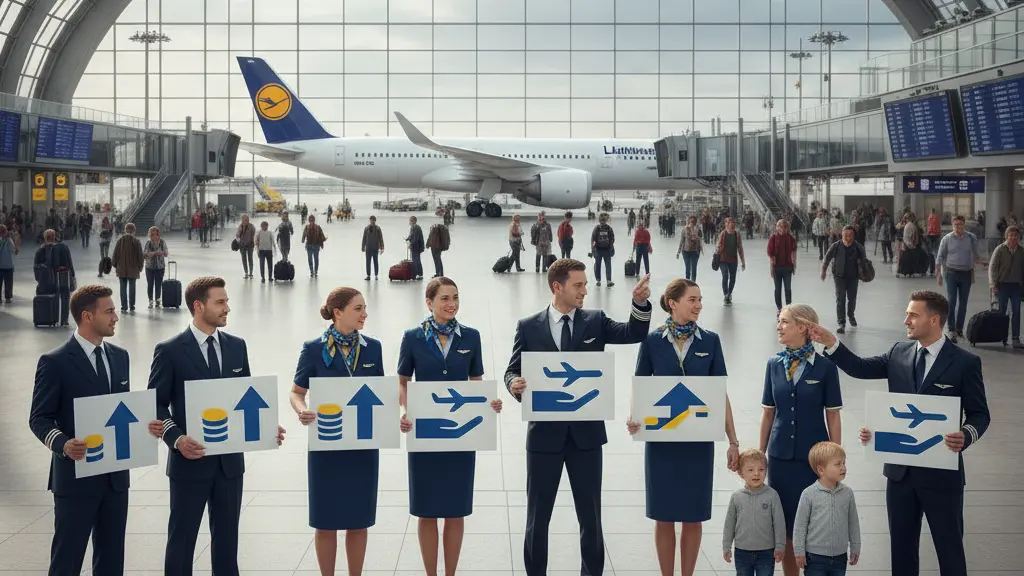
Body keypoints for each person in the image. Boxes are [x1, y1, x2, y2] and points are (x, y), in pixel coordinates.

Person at [807, 291, 990, 576]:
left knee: (950, 549)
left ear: (934, 319)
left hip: (943, 476)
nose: (906, 320)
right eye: (906, 313)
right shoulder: (898, 353)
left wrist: (966, 434)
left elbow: (981, 415)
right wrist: (831, 343)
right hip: (900, 476)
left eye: (913, 315)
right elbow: (859, 368)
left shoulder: (965, 363)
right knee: (902, 553)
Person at [505, 259, 652, 576]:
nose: (585, 290)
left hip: (586, 438)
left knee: (591, 517)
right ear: (558, 287)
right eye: (579, 285)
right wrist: (514, 385)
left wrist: (639, 304)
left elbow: (633, 333)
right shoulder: (528, 326)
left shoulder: (595, 321)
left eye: (585, 284)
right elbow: (512, 370)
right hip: (543, 438)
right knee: (537, 518)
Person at [146, 276, 287, 576]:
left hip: (229, 466)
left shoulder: (237, 347)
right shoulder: (169, 351)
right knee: (182, 542)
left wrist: (265, 428)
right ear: (198, 306)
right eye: (220, 302)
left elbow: (245, 396)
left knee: (227, 543)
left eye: (226, 301)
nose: (227, 308)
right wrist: (176, 438)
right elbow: (154, 405)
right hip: (189, 463)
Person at [627, 278, 739, 576]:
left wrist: (733, 441)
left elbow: (720, 393)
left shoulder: (711, 341)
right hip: (661, 442)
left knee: (693, 516)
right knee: (663, 517)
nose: (699, 305)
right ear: (673, 302)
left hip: (698, 443)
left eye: (700, 299)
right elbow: (639, 386)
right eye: (692, 299)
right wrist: (633, 417)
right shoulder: (651, 341)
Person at [397, 277, 503, 576]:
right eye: (444, 298)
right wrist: (407, 410)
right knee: (426, 510)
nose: (451, 304)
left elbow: (476, 384)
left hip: (460, 436)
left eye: (455, 297)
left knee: (456, 510)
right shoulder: (413, 337)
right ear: (429, 303)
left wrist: (489, 403)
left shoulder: (471, 337)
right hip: (426, 435)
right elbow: (403, 382)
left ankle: (450, 573)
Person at [29, 285, 129, 576]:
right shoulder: (55, 362)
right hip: (75, 480)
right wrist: (62, 444)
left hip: (115, 480)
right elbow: (39, 418)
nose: (116, 317)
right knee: (67, 560)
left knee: (112, 561)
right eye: (109, 311)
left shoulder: (120, 357)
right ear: (87, 316)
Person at [290, 287, 384, 575]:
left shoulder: (373, 348)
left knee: (359, 519)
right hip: (326, 447)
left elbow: (381, 395)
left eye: (365, 308)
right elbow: (296, 392)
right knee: (325, 520)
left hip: (362, 447)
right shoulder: (313, 349)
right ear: (337, 312)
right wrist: (301, 410)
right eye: (358, 308)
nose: (364, 314)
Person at [760, 304, 842, 576]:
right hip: (781, 458)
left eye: (784, 322)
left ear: (803, 327)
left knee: (813, 524)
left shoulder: (827, 368)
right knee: (785, 526)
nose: (778, 327)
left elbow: (833, 416)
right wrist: (761, 454)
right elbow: (768, 414)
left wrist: (835, 458)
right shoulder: (773, 365)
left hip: (814, 462)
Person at [792, 442, 861, 575]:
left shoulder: (847, 493)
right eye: (837, 464)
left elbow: (853, 522)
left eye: (844, 463)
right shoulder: (808, 494)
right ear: (821, 470)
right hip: (814, 558)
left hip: (840, 557)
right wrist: (799, 551)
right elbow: (800, 525)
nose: (843, 468)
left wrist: (855, 547)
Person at [722, 449, 786, 576]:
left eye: (761, 469)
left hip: (766, 552)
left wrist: (780, 546)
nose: (756, 474)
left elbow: (779, 523)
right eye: (750, 470)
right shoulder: (736, 497)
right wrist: (726, 546)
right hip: (742, 552)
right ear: (741, 473)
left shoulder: (772, 496)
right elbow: (729, 524)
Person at [935, 215, 982, 343]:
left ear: (964, 224)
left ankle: (959, 328)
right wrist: (938, 275)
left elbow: (976, 254)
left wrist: (984, 263)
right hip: (951, 273)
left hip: (966, 273)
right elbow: (939, 257)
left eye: (960, 224)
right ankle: (951, 329)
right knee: (952, 301)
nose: (958, 227)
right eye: (955, 225)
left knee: (963, 303)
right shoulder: (947, 239)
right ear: (952, 225)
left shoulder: (971, 238)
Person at [820, 227, 865, 334]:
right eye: (845, 235)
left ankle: (851, 315)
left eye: (850, 235)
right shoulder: (836, 246)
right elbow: (827, 258)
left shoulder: (858, 247)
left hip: (853, 277)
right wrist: (823, 271)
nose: (848, 238)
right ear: (842, 235)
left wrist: (862, 268)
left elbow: (864, 261)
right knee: (840, 299)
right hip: (839, 276)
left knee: (852, 298)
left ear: (853, 236)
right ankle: (841, 323)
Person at [988, 225, 1023, 347]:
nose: (1013, 238)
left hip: (1016, 287)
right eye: (1011, 235)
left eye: (1016, 236)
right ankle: (1002, 337)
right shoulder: (1000, 249)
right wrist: (993, 284)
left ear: (1019, 238)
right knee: (1001, 312)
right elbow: (992, 268)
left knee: (1016, 311)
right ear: (1006, 237)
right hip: (1001, 285)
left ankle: (1015, 339)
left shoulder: (1021, 251)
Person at [35, 228, 76, 326]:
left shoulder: (41, 250)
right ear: (55, 237)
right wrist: (72, 275)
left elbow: (36, 266)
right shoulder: (64, 247)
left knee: (54, 297)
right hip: (64, 276)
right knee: (65, 297)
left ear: (45, 238)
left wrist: (39, 279)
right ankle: (64, 320)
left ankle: (53, 318)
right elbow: (70, 263)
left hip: (50, 278)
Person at [111, 223, 143, 314]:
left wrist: (115, 264)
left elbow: (115, 254)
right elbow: (140, 255)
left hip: (121, 269)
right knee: (132, 287)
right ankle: (132, 306)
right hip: (133, 269)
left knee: (123, 287)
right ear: (134, 231)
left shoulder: (120, 240)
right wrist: (140, 266)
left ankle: (124, 306)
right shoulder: (136, 241)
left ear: (125, 230)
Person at [768, 220, 797, 314]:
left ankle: (788, 308)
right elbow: (770, 253)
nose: (782, 229)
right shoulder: (773, 238)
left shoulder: (790, 238)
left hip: (787, 267)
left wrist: (794, 265)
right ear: (777, 227)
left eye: (784, 227)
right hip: (777, 268)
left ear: (787, 228)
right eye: (780, 227)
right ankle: (779, 308)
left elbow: (794, 252)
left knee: (788, 288)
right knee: (778, 288)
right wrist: (771, 267)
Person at [716, 217, 745, 305]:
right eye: (729, 223)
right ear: (726, 225)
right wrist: (717, 250)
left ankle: (729, 293)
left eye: (732, 222)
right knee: (725, 275)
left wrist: (743, 261)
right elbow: (718, 245)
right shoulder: (723, 234)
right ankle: (726, 294)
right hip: (723, 259)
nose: (731, 224)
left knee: (733, 278)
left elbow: (740, 248)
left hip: (733, 259)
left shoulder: (737, 234)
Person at [143, 226, 169, 308]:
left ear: (158, 234)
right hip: (149, 267)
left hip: (160, 267)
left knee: (158, 284)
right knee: (150, 284)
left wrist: (161, 253)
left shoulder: (162, 242)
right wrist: (154, 253)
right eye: (152, 235)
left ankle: (157, 300)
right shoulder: (148, 243)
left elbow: (166, 253)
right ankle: (150, 300)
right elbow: (145, 254)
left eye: (156, 234)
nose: (155, 236)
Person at [590, 212, 615, 287]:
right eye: (602, 221)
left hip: (601, 250)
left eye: (603, 221)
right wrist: (593, 249)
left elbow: (593, 240)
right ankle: (606, 280)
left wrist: (593, 249)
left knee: (601, 265)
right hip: (602, 249)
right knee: (605, 265)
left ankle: (601, 280)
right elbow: (612, 239)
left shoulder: (598, 228)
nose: (603, 222)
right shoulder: (607, 228)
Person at [677, 216, 702, 281]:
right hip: (686, 251)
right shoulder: (685, 229)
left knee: (694, 269)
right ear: (689, 221)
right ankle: (687, 284)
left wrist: (700, 249)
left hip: (695, 251)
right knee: (687, 268)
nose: (692, 223)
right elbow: (682, 240)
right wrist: (678, 252)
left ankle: (693, 284)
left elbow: (700, 240)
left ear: (695, 222)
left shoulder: (698, 229)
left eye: (693, 222)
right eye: (691, 221)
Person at [361, 215, 385, 281]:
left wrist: (382, 247)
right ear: (370, 220)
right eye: (371, 220)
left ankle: (376, 275)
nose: (372, 221)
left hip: (375, 248)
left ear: (375, 221)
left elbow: (381, 238)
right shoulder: (366, 228)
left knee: (375, 262)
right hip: (368, 248)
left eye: (373, 220)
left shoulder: (378, 229)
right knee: (368, 262)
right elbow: (364, 238)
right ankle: (368, 275)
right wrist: (363, 247)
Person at [235, 214, 256, 279]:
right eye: (244, 220)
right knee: (244, 259)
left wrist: (254, 243)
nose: (245, 221)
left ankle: (251, 273)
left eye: (247, 220)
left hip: (250, 245)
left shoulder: (251, 226)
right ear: (242, 220)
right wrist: (239, 241)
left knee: (250, 259)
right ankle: (246, 272)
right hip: (242, 246)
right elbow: (237, 235)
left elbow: (254, 235)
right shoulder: (240, 227)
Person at [0, 224, 17, 303]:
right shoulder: (9, 240)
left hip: (6, 266)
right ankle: (8, 297)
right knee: (8, 283)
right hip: (8, 266)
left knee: (8, 283)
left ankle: (7, 297)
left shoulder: (9, 240)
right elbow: (14, 251)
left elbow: (14, 250)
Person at [407, 215, 425, 280]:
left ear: (414, 221)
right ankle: (416, 273)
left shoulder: (416, 228)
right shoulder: (413, 227)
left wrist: (411, 244)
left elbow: (415, 238)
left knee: (416, 260)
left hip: (416, 247)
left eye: (411, 221)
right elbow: (411, 236)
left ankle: (419, 274)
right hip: (415, 246)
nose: (410, 222)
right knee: (415, 260)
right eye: (410, 220)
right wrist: (407, 239)